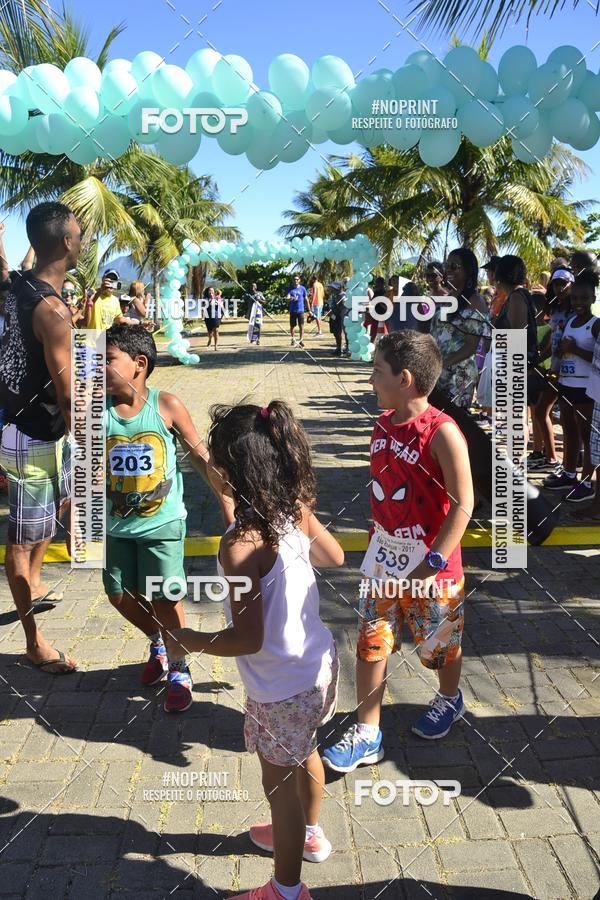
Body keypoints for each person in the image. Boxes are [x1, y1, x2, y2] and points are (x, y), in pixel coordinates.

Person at [170, 400, 344, 900]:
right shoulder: (292, 510)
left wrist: (188, 641)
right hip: (318, 667)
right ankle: (309, 836)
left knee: (278, 790)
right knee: (305, 750)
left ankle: (286, 890)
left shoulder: (239, 546)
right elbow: (334, 556)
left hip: (279, 687)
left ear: (231, 471)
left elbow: (247, 639)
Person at [322, 331, 473, 776]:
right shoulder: (383, 424)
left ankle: (450, 698)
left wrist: (433, 563)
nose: (370, 379)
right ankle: (368, 732)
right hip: (383, 562)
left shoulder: (442, 432)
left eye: (376, 370)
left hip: (432, 569)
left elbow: (464, 503)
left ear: (404, 378)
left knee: (439, 649)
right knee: (373, 641)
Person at [104, 324, 211, 712]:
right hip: (117, 525)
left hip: (161, 524)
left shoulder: (165, 405)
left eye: (108, 360)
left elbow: (199, 454)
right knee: (118, 594)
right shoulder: (96, 411)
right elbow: (84, 465)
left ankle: (180, 668)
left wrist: (228, 497)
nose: (99, 368)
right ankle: (161, 643)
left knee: (165, 597)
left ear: (139, 364)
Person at [0, 202, 81, 673]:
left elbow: (9, 267)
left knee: (44, 526)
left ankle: (33, 582)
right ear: (67, 243)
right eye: (79, 234)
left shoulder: (19, 288)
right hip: (33, 436)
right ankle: (33, 643)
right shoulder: (53, 310)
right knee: (23, 537)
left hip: (24, 429)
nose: (82, 240)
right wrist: (93, 452)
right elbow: (70, 396)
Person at [543, 271, 600, 502]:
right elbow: (559, 351)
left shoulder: (595, 325)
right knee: (569, 430)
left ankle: (587, 482)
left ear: (593, 299)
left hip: (586, 388)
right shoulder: (568, 322)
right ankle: (569, 473)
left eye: (584, 299)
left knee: (587, 436)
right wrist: (560, 351)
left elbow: (596, 358)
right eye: (575, 298)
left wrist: (575, 349)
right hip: (566, 383)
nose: (578, 303)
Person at [429, 248, 490, 409]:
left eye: (454, 266)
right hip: (436, 372)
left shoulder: (476, 302)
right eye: (447, 265)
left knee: (453, 425)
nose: (448, 270)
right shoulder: (448, 297)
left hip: (457, 376)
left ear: (468, 270)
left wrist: (441, 365)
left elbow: (471, 346)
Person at [530, 268, 575, 471]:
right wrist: (538, 359)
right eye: (556, 284)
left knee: (567, 419)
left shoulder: (577, 308)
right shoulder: (555, 310)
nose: (560, 288)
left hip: (572, 371)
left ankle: (564, 465)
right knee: (541, 412)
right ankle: (552, 460)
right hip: (556, 369)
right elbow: (553, 343)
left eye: (564, 283)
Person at [286, 274, 309, 347]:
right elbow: (287, 298)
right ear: (293, 280)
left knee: (301, 326)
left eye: (297, 279)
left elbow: (306, 299)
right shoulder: (290, 289)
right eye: (294, 279)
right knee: (292, 326)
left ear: (299, 280)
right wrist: (291, 299)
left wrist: (309, 309)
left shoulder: (303, 288)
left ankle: (301, 340)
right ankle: (293, 339)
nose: (296, 281)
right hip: (293, 310)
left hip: (301, 310)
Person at [328, 281, 349, 357]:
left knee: (345, 333)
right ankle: (338, 348)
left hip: (341, 316)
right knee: (336, 333)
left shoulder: (343, 295)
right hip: (335, 316)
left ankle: (347, 349)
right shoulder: (334, 295)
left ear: (337, 288)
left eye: (332, 287)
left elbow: (344, 307)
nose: (330, 288)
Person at [203, 286, 224, 350]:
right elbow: (204, 306)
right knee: (210, 332)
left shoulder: (217, 298)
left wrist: (215, 300)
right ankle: (209, 339)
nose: (211, 291)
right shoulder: (205, 298)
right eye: (210, 290)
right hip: (208, 315)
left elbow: (222, 306)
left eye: (212, 290)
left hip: (216, 315)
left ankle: (216, 346)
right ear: (207, 291)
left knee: (216, 330)